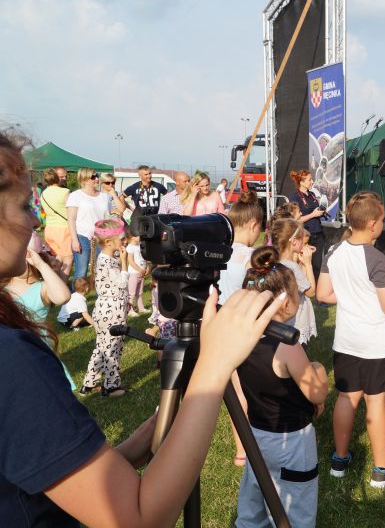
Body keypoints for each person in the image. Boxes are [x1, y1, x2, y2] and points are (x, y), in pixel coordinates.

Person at [0, 130, 286, 526]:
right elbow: (137, 519)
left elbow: (65, 477)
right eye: (23, 206)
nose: (35, 219)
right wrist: (214, 365)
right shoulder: (11, 358)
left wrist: (159, 430)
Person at [316, 191, 385, 488]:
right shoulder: (378, 259)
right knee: (375, 401)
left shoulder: (334, 251)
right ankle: (382, 470)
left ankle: (340, 460)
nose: (383, 223)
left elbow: (323, 294)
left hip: (346, 341)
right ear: (372, 224)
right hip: (374, 343)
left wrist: (351, 296)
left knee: (347, 397)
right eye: (382, 219)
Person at [234, 247, 329, 528]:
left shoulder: (243, 339)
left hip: (257, 435)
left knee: (253, 506)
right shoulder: (288, 345)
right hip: (292, 442)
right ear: (284, 301)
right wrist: (319, 368)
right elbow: (317, 392)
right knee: (295, 509)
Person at [219, 190, 265, 466]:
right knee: (254, 391)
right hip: (247, 330)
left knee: (235, 391)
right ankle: (257, 444)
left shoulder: (218, 252)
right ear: (253, 224)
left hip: (222, 328)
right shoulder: (251, 257)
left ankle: (240, 450)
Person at [3, 246, 76, 390]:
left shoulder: (42, 287)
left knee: (49, 391)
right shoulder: (4, 287)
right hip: (11, 353)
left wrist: (42, 265)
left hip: (38, 350)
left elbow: (63, 297)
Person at [80, 219, 130, 397]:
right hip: (112, 311)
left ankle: (89, 384)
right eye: (122, 239)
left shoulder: (105, 258)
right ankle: (111, 386)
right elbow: (122, 283)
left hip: (105, 310)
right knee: (112, 349)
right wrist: (125, 263)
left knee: (102, 347)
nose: (125, 241)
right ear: (109, 242)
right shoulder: (107, 262)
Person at [271, 218, 318, 344]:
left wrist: (301, 262)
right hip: (296, 321)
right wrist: (308, 264)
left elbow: (300, 283)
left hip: (280, 320)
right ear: (295, 242)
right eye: (302, 239)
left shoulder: (276, 262)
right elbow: (310, 292)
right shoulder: (292, 267)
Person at [66, 167, 110, 280]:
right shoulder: (75, 196)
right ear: (84, 179)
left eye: (97, 176)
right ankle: (77, 291)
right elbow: (71, 219)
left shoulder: (104, 197)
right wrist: (75, 240)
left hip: (101, 237)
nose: (97, 179)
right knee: (81, 271)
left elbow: (107, 218)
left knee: (101, 269)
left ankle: (100, 291)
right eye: (93, 177)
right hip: (82, 236)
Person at [290, 170, 326, 279]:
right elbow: (296, 220)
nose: (312, 182)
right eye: (309, 180)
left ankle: (316, 285)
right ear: (301, 182)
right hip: (305, 236)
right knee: (304, 264)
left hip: (318, 234)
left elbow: (315, 212)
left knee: (317, 265)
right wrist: (313, 214)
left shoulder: (312, 195)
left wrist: (321, 213)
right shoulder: (295, 197)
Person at [40, 167, 73, 275]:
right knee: (68, 259)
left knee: (56, 258)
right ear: (56, 178)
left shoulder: (43, 194)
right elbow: (71, 211)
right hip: (64, 229)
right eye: (61, 177)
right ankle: (62, 282)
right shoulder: (65, 192)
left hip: (49, 228)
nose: (64, 179)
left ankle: (53, 281)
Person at [126, 233, 150, 316]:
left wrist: (147, 267)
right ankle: (130, 310)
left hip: (141, 273)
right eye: (137, 235)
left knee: (139, 292)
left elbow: (144, 257)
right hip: (134, 273)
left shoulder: (140, 245)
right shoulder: (130, 247)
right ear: (131, 237)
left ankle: (141, 308)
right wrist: (139, 269)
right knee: (131, 293)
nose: (140, 237)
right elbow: (131, 261)